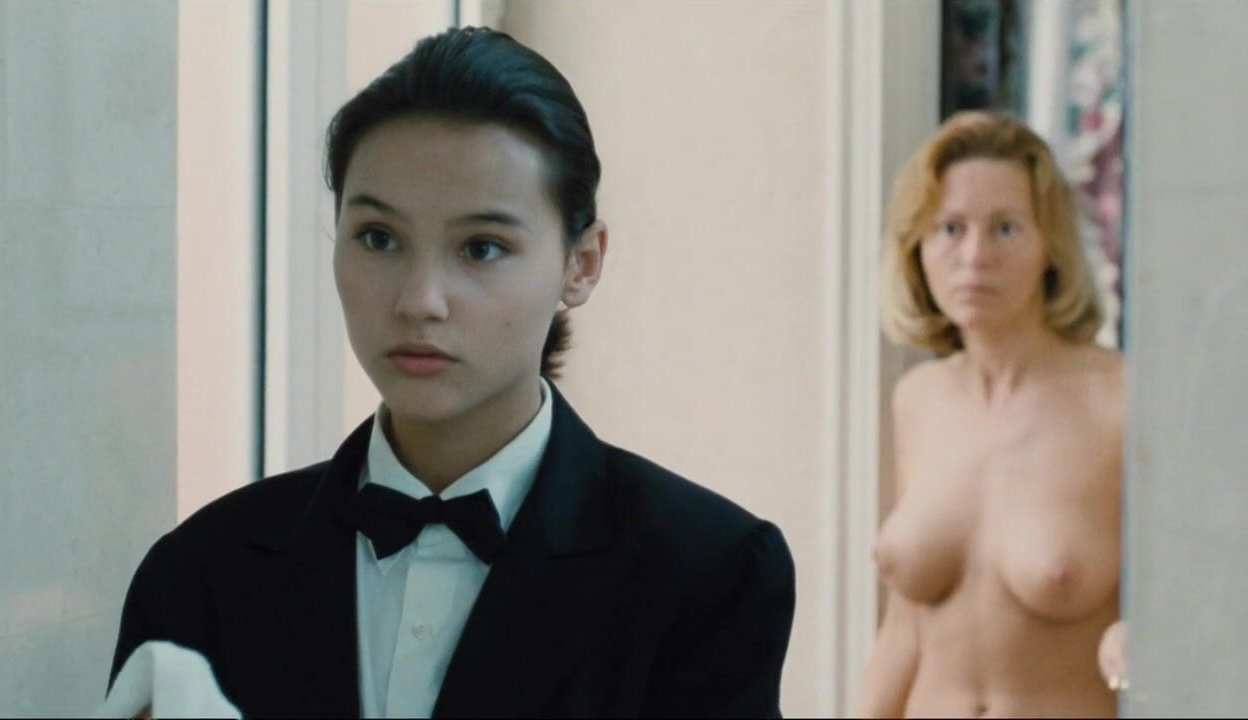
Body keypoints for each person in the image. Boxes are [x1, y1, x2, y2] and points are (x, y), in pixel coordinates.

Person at [110, 26, 795, 718]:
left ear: (582, 263)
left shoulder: (709, 574)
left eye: (482, 248)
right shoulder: (200, 570)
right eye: (379, 238)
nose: (420, 300)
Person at [858, 111, 1124, 717]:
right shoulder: (918, 400)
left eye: (1005, 228)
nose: (975, 256)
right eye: (950, 229)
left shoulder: (1118, 399)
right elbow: (902, 637)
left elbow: (1196, 604)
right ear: (916, 247)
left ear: (1050, 245)